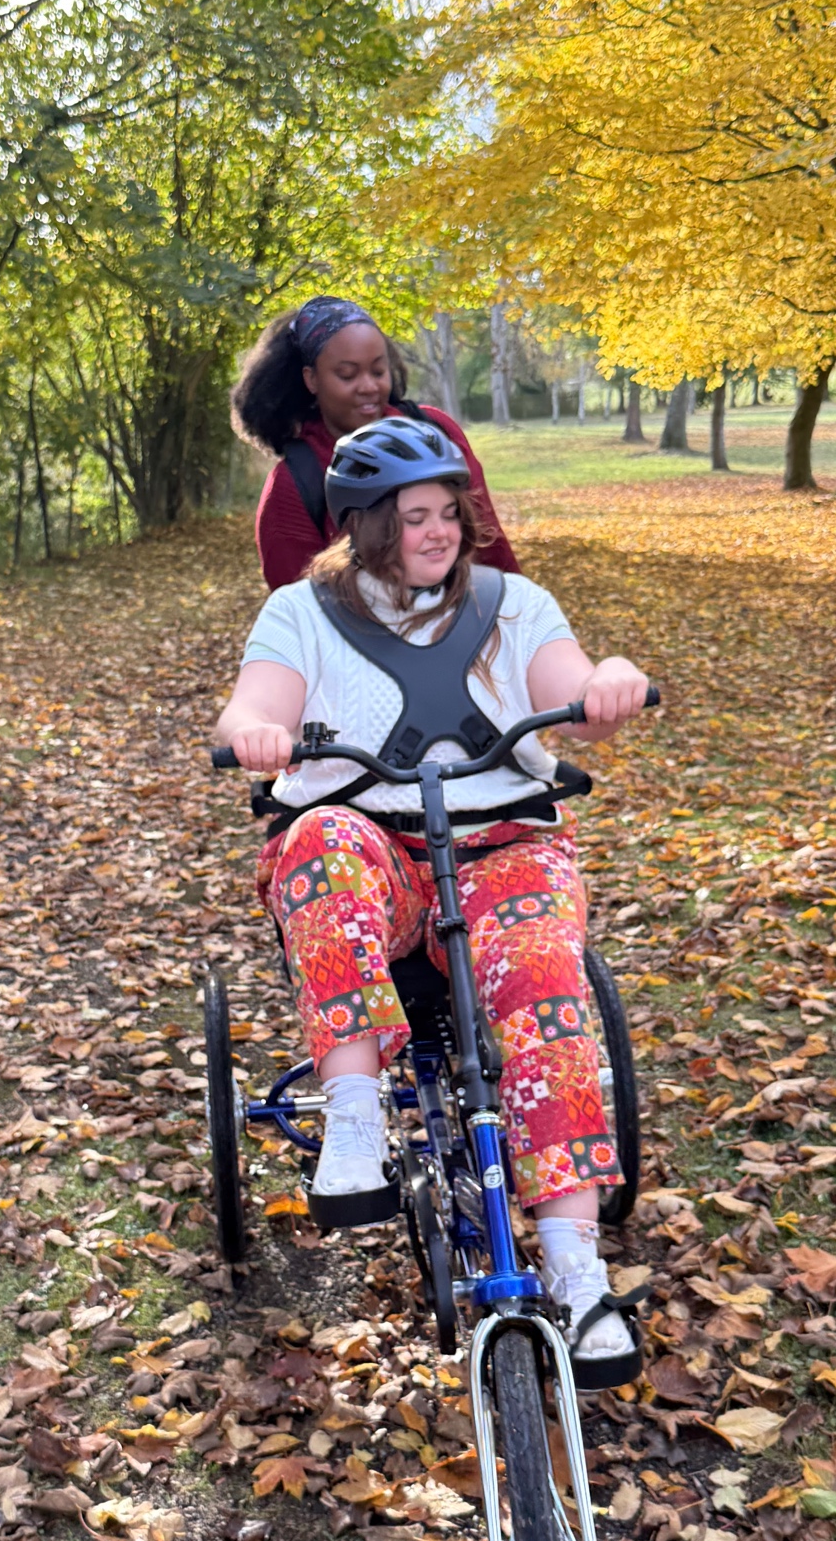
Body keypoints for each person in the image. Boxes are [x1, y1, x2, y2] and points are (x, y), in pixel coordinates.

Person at [213, 413, 651, 1385]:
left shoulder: (514, 604)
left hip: (502, 848)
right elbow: (259, 700)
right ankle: (358, 1118)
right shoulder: (299, 613)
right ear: (363, 524)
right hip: (373, 854)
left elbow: (568, 682)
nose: (440, 531)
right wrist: (256, 732)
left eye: (449, 511)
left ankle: (578, 1274)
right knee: (317, 840)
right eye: (415, 516)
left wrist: (604, 686)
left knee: (544, 986)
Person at [232, 294, 522, 590]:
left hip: (467, 625)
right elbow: (299, 611)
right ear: (311, 379)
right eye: (347, 375)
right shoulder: (294, 485)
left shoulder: (435, 433)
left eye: (378, 371)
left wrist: (515, 615)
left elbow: (490, 544)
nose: (369, 387)